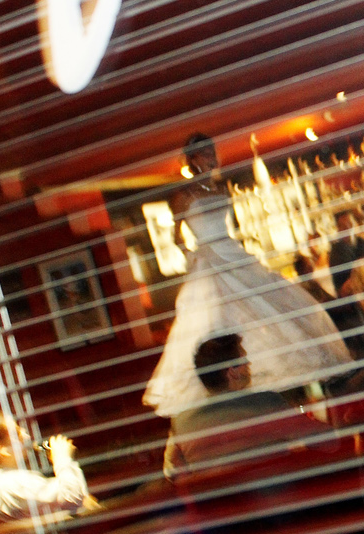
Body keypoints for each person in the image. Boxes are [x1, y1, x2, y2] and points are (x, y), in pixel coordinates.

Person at [142, 134, 352, 419]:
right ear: (192, 159)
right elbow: (177, 238)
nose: (211, 158)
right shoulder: (184, 196)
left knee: (264, 310)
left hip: (232, 251)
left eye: (212, 152)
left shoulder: (221, 189)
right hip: (209, 259)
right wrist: (193, 257)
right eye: (204, 154)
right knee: (215, 316)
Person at [165, 333, 338, 476]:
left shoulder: (181, 422)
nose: (249, 363)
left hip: (219, 505)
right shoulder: (265, 403)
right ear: (232, 371)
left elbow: (174, 473)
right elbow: (327, 441)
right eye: (244, 359)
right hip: (272, 500)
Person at [0, 411, 91, 523]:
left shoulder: (3, 481)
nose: (26, 435)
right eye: (17, 433)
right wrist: (63, 457)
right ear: (1, 447)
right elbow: (72, 498)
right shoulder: (10, 482)